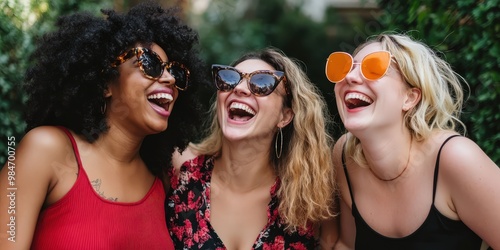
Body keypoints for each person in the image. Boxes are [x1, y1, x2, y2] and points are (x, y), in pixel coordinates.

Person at [0, 1, 209, 249]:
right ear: (106, 84)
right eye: (150, 64)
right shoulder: (44, 149)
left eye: (176, 72)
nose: (170, 78)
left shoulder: (163, 179)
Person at [325, 33, 500, 249]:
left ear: (410, 98)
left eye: (374, 67)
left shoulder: (455, 158)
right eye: (344, 67)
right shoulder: (344, 155)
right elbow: (347, 245)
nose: (350, 77)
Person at [166, 48, 338, 249]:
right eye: (230, 79)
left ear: (285, 117)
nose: (239, 88)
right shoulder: (179, 168)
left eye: (262, 83)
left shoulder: (312, 198)